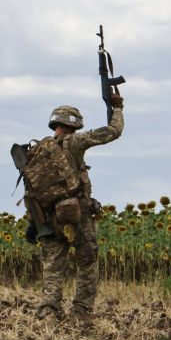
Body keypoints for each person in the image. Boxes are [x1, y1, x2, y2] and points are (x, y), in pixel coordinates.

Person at [36, 97, 124, 320]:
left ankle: (48, 312)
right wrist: (117, 108)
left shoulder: (39, 150)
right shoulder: (74, 142)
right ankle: (81, 311)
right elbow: (113, 132)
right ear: (74, 123)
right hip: (76, 214)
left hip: (48, 217)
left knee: (53, 266)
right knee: (87, 260)